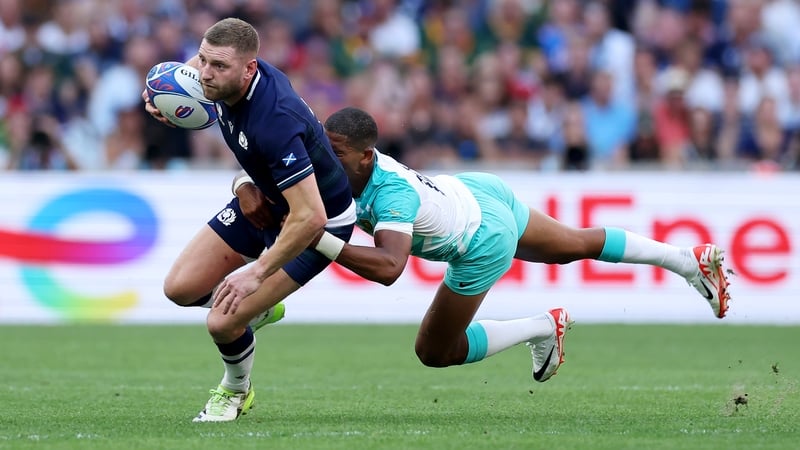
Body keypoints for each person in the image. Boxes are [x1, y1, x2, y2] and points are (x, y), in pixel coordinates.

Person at [227, 106, 732, 383]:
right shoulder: (330, 168)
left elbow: (388, 269)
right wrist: (241, 186)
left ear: (367, 156)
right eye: (325, 151)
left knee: (434, 352)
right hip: (475, 190)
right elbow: (268, 169)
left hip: (479, 238)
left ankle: (542, 326)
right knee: (574, 244)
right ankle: (686, 260)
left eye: (339, 155)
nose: (327, 164)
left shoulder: (390, 194)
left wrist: (322, 240)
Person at [143, 18, 356, 422]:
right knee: (180, 288)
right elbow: (188, 72)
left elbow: (310, 216)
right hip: (269, 196)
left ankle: (235, 391)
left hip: (316, 221)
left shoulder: (272, 119)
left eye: (217, 67)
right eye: (203, 60)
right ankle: (258, 311)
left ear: (249, 69)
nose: (205, 73)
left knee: (221, 322)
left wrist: (257, 273)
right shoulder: (222, 74)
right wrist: (164, 95)